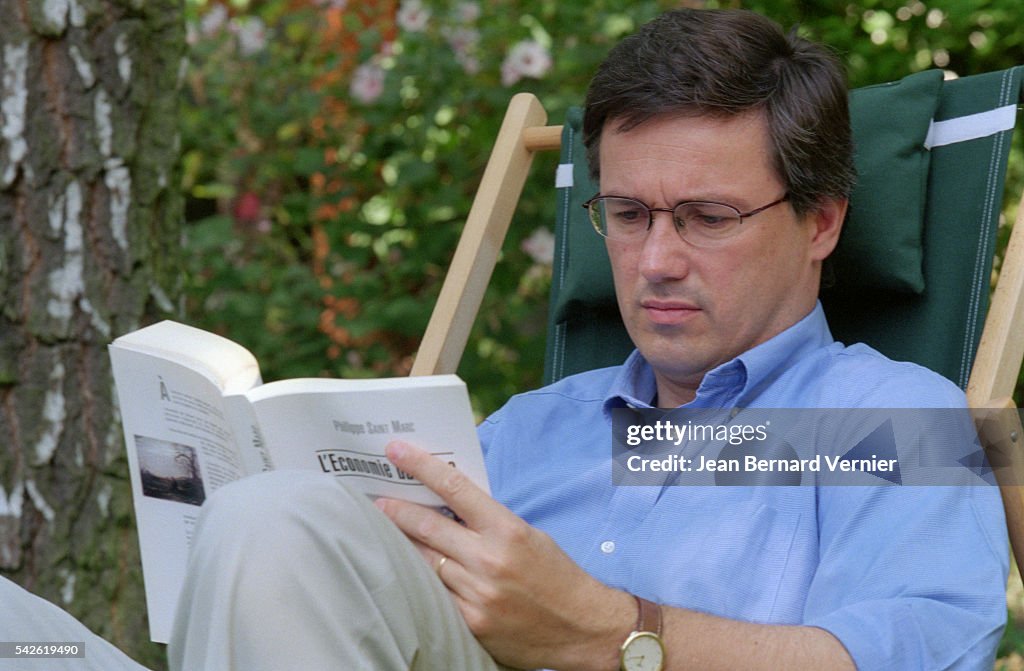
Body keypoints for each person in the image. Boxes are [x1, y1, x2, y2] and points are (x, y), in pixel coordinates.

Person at [169, 8, 1009, 670]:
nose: (654, 260)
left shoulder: (887, 419)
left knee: (269, 516)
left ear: (820, 222)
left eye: (707, 218)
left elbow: (917, 656)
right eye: (627, 214)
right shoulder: (525, 430)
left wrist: (611, 634)